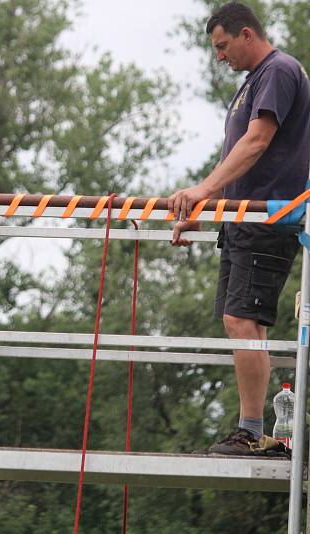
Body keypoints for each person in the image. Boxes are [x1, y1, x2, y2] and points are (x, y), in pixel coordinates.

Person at [169, 2, 310, 455]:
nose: (220, 56)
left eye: (223, 46)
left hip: (264, 219)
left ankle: (251, 432)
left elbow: (257, 141)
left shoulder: (279, 70)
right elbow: (237, 149)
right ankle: (257, 432)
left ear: (247, 34)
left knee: (241, 319)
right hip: (241, 219)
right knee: (245, 324)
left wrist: (201, 189)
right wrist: (204, 203)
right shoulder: (254, 81)